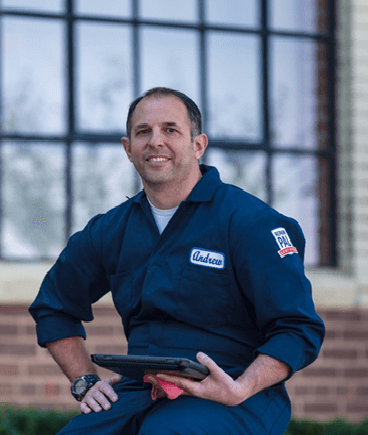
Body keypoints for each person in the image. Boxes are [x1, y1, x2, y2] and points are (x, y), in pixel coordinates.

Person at [29, 87, 325, 435]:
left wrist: (241, 388)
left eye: (170, 129)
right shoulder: (111, 230)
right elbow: (54, 306)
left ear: (198, 145)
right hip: (143, 387)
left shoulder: (249, 222)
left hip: (235, 390)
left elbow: (298, 328)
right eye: (144, 131)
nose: (156, 141)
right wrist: (84, 381)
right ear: (128, 149)